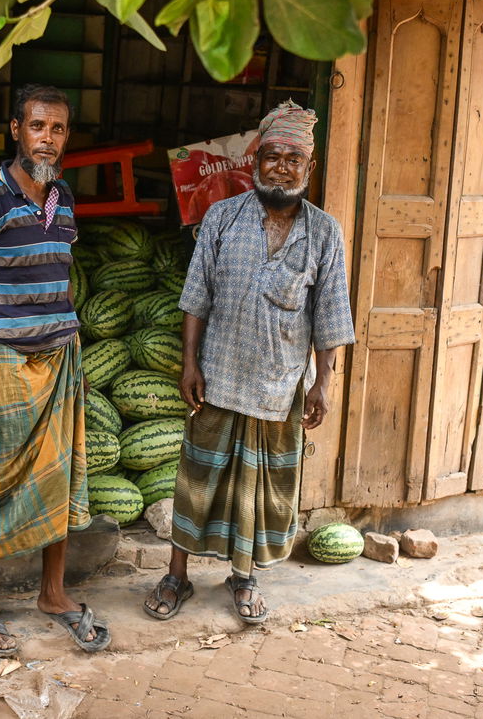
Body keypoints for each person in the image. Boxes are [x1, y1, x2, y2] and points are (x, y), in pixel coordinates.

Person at [143, 100, 355, 625]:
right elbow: (197, 297)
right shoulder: (222, 217)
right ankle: (176, 576)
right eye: (273, 156)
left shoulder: (325, 233)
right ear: (255, 161)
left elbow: (331, 317)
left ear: (309, 169)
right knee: (196, 483)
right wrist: (189, 363)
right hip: (218, 378)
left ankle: (245, 578)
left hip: (279, 385)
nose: (282, 167)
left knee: (257, 492)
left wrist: (322, 384)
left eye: (294, 159)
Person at [0, 84, 108, 657]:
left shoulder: (63, 196)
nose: (49, 137)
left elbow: (61, 278)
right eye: (38, 126)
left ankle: (53, 592)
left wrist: (74, 354)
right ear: (16, 130)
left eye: (59, 129)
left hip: (61, 359)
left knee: (60, 478)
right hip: (5, 362)